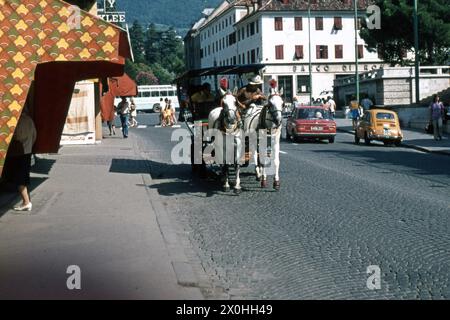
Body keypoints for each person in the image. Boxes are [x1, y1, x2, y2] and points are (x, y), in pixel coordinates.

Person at [3, 110, 37, 211]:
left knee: (19, 179)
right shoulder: (29, 120)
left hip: (18, 153)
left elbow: (17, 136)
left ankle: (26, 202)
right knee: (23, 177)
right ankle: (26, 202)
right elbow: (34, 134)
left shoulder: (17, 121)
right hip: (27, 151)